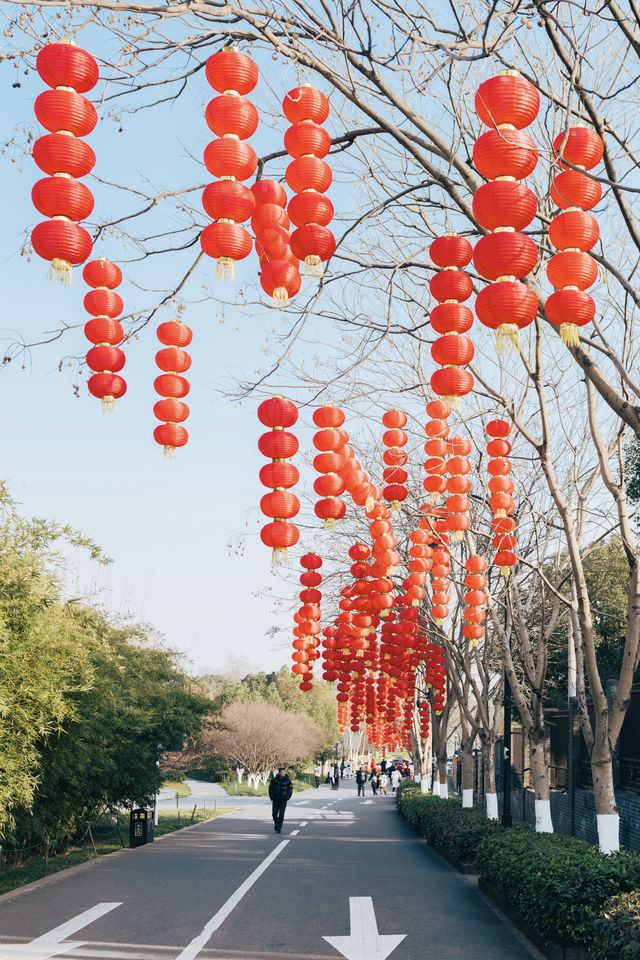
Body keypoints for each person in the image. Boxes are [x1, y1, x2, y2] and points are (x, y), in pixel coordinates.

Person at [268, 766, 293, 833]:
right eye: (282, 772)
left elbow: (290, 789)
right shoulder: (274, 780)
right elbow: (270, 789)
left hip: (283, 800)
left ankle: (279, 828)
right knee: (274, 814)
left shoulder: (287, 780)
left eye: (284, 772)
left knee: (281, 814)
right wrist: (272, 797)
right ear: (279, 773)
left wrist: (287, 797)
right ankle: (276, 824)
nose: (283, 773)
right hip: (275, 800)